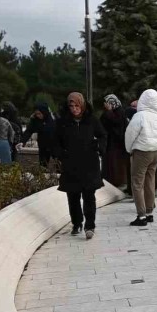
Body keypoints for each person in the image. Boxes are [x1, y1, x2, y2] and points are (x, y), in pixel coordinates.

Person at [53, 92, 106, 239]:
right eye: (71, 106)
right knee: (73, 196)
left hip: (89, 163)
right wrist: (61, 154)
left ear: (82, 105)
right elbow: (55, 141)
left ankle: (90, 225)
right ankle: (77, 223)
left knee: (89, 195)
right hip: (71, 164)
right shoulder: (63, 122)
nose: (74, 109)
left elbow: (102, 135)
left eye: (77, 106)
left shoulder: (91, 120)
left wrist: (98, 146)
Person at [125, 89, 157, 226]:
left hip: (142, 152)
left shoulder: (139, 116)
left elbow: (130, 134)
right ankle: (149, 212)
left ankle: (141, 216)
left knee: (137, 183)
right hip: (155, 152)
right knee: (150, 182)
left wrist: (129, 149)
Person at [100, 94, 129, 188]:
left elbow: (117, 124)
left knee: (115, 164)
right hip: (110, 143)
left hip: (116, 144)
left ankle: (116, 181)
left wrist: (109, 112)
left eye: (107, 102)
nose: (105, 104)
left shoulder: (119, 112)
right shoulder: (112, 112)